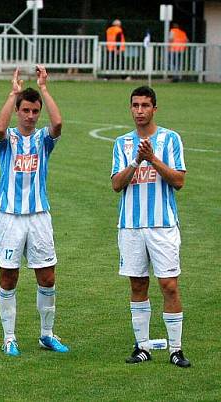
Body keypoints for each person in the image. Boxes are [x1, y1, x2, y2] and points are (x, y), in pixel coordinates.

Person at [111, 86, 190, 368]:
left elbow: (179, 181)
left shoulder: (170, 139)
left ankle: (176, 349)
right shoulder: (122, 144)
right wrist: (137, 160)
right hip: (131, 226)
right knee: (138, 284)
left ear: (155, 108)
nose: (140, 110)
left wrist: (153, 158)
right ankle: (142, 347)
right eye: (135, 105)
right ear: (130, 108)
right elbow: (117, 185)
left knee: (169, 285)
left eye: (146, 105)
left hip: (163, 225)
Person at [0, 66, 68, 357]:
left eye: (35, 111)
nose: (31, 115)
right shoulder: (8, 139)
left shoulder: (43, 140)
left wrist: (44, 89)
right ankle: (9, 337)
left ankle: (46, 335)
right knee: (8, 277)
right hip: (9, 217)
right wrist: (12, 94)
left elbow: (58, 124)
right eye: (25, 110)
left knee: (47, 277)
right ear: (17, 110)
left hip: (39, 216)